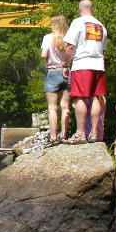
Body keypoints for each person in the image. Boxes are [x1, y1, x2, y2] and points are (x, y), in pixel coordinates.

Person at [62, 0, 108, 144]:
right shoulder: (101, 25)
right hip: (99, 65)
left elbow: (70, 47)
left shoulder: (78, 22)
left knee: (80, 97)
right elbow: (103, 48)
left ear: (80, 9)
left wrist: (65, 64)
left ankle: (80, 133)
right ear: (91, 9)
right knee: (96, 97)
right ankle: (93, 133)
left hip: (82, 64)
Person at [41, 15, 71, 146]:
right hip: (67, 72)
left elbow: (43, 55)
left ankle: (53, 138)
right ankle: (64, 135)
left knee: (52, 108)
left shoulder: (48, 38)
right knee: (65, 107)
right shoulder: (69, 38)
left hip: (52, 72)